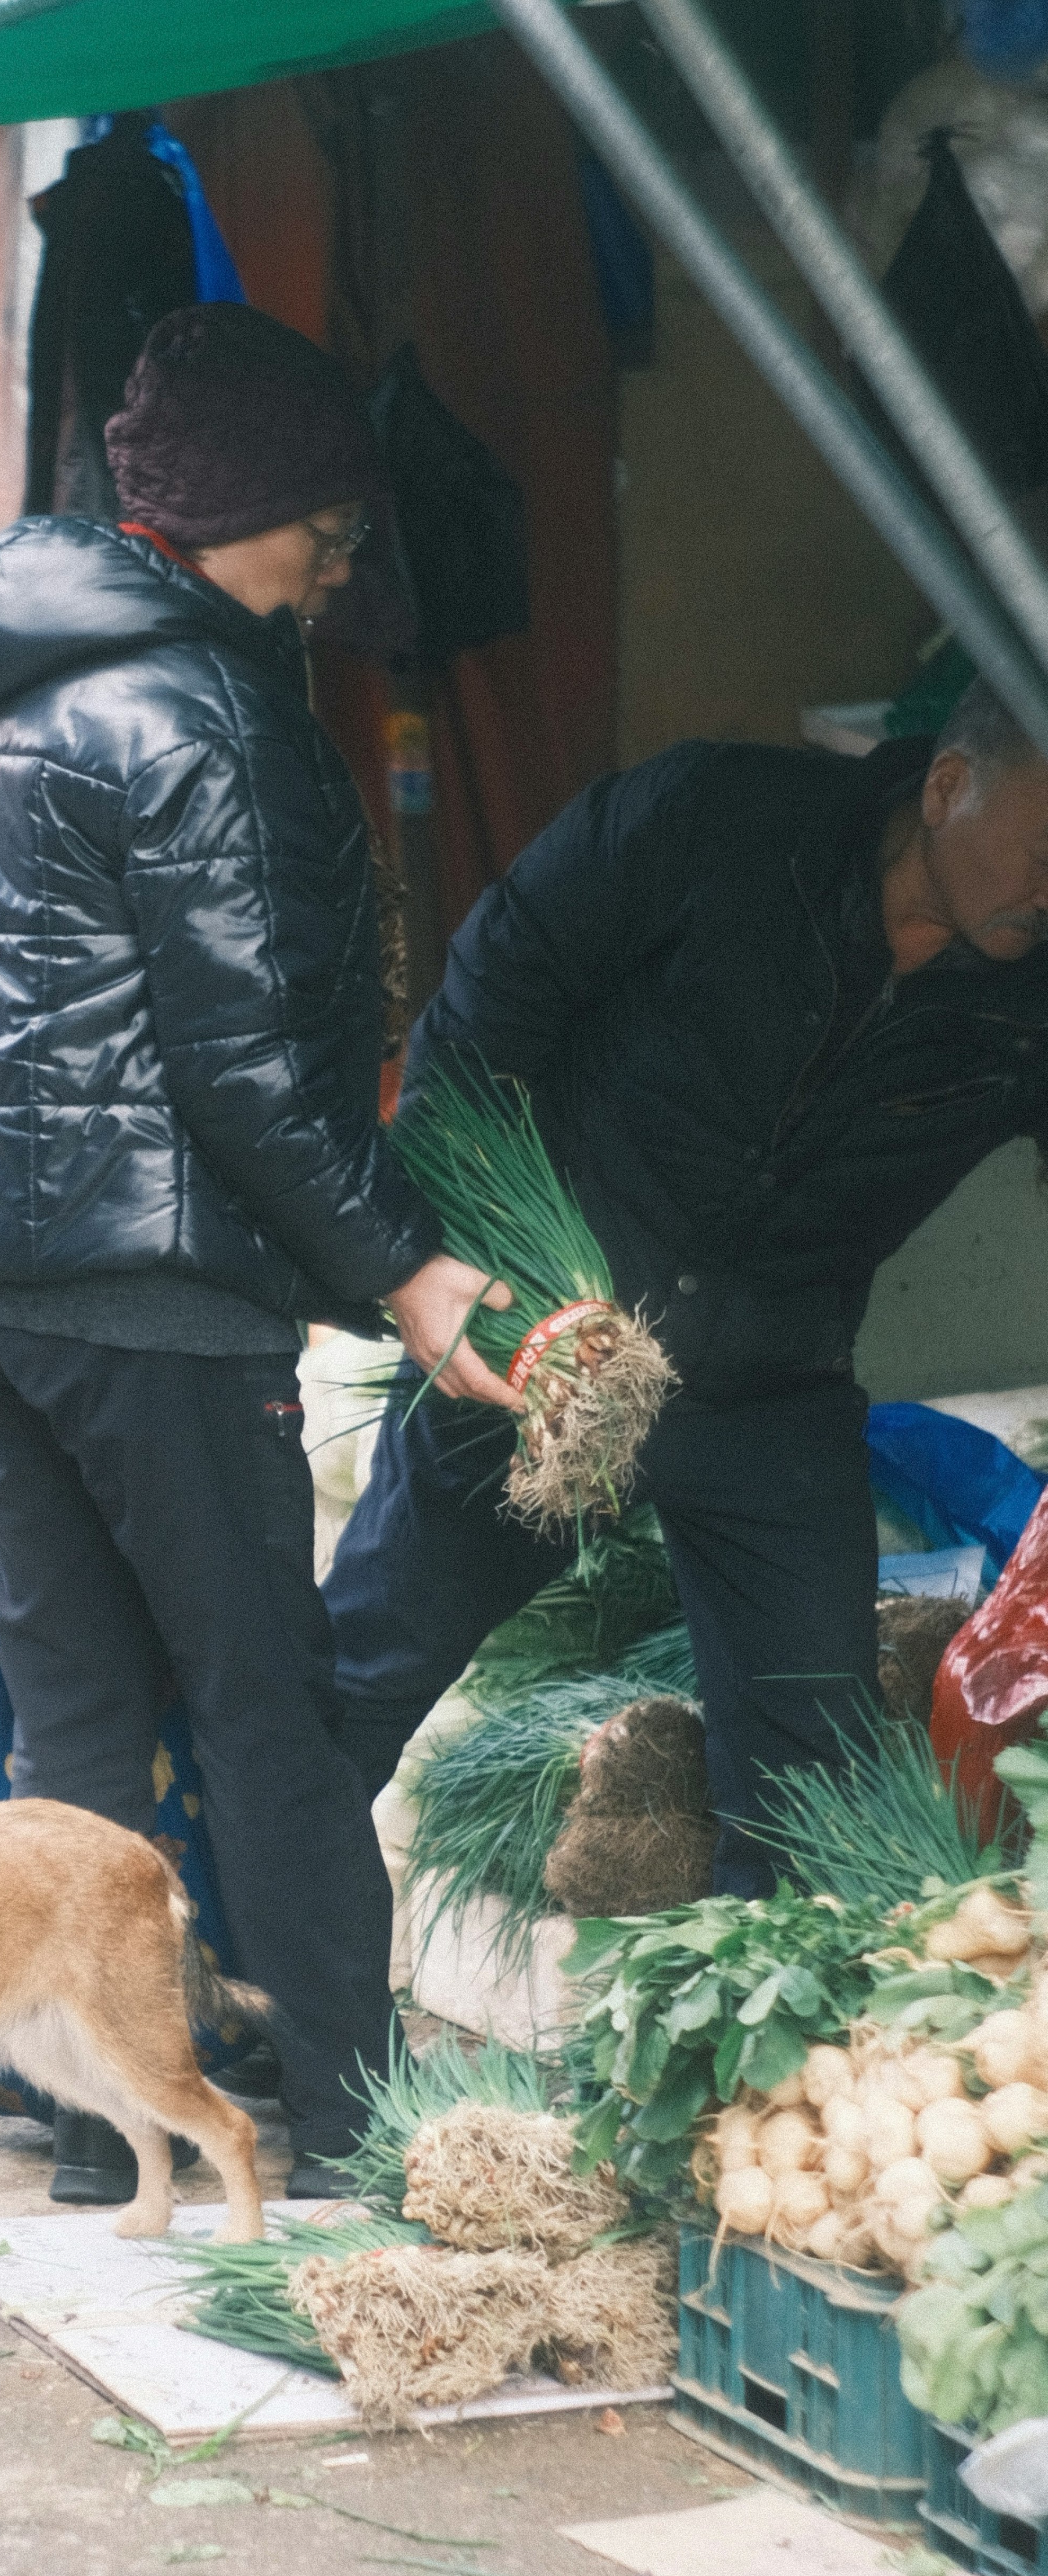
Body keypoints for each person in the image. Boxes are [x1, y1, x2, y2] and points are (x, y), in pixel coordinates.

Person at [0, 303, 502, 2198]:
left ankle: (102, 2141)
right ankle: (360, 2132)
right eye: (324, 518)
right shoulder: (210, 713)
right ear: (241, 507)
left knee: (79, 1709)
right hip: (152, 1286)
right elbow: (241, 1069)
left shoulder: (11, 683)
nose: (342, 557)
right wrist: (406, 1264)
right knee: (270, 1714)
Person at [325, 677, 1048, 1895]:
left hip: (771, 1386)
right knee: (361, 1675)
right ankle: (199, 1968)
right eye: (1043, 850)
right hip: (551, 1361)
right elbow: (485, 1010)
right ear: (943, 787)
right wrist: (462, 1273)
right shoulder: (713, 821)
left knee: (813, 1784)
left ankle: (750, 2073)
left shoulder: (1030, 996)